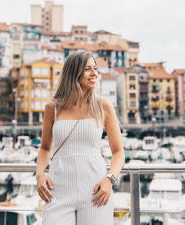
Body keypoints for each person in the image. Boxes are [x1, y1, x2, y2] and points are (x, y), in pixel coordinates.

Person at [36, 51, 125, 225]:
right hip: (57, 191)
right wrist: (39, 175)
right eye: (87, 69)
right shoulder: (52, 107)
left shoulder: (103, 105)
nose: (94, 74)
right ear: (73, 73)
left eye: (95, 69)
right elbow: (45, 148)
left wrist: (110, 179)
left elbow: (119, 152)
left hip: (96, 191)